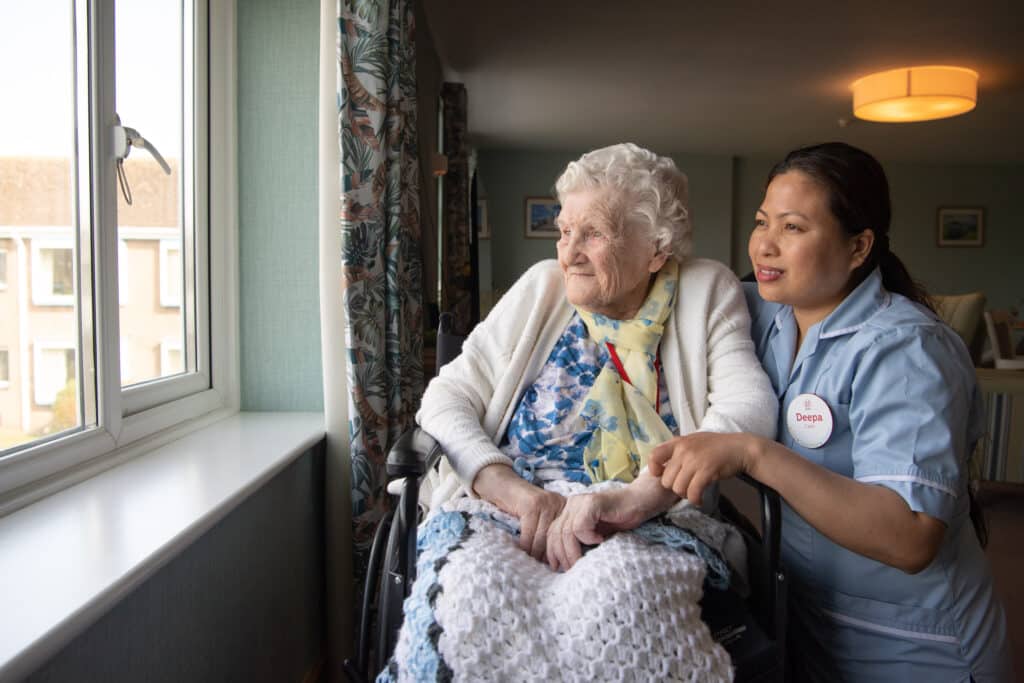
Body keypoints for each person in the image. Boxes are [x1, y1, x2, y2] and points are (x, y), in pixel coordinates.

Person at [381, 143, 778, 681]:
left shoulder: (706, 289)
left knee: (626, 607)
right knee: (473, 599)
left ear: (656, 249)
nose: (569, 253)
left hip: (646, 520)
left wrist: (636, 500)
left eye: (593, 234)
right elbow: (446, 397)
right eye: (565, 232)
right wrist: (507, 488)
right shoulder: (542, 287)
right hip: (506, 510)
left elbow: (747, 407)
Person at [644, 142, 1011, 681]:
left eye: (793, 228)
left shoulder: (907, 350)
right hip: (806, 625)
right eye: (762, 221)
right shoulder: (762, 313)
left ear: (859, 246)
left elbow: (910, 535)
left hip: (913, 648)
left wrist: (751, 453)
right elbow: (648, 291)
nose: (764, 245)